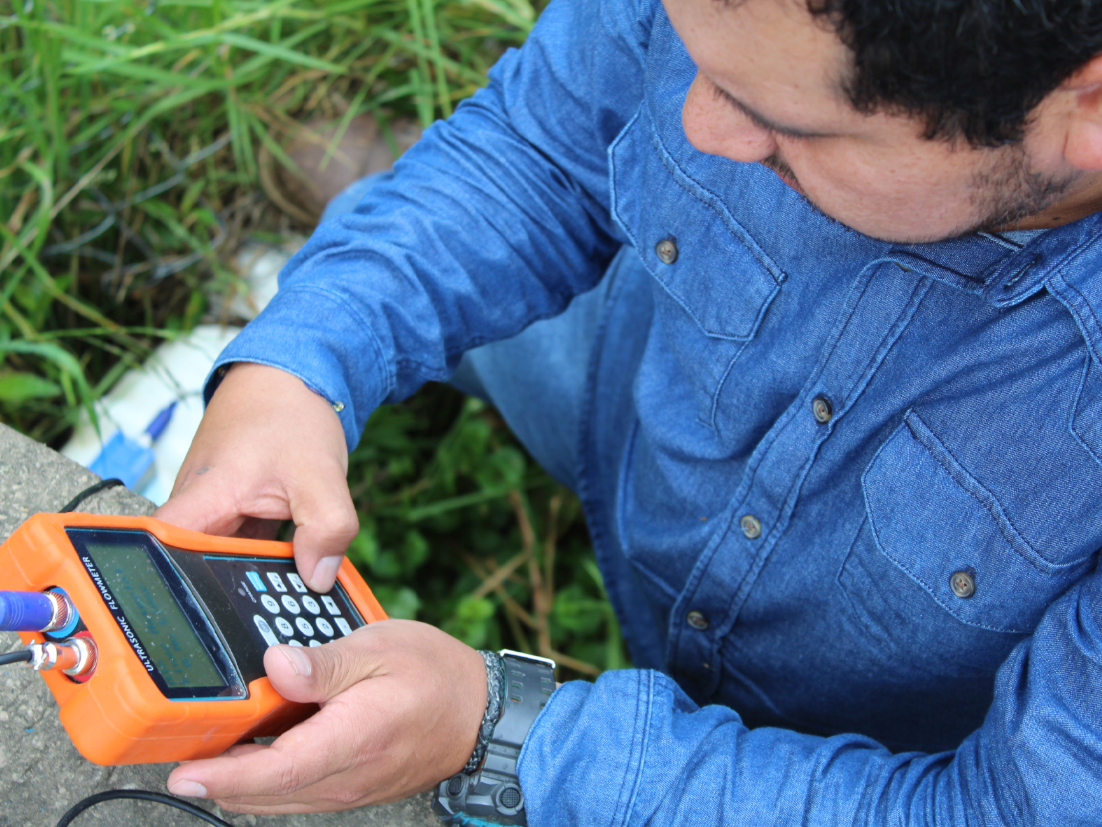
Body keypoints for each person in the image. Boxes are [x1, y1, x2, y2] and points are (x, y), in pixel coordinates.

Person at [155, 0, 1102, 822]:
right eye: (693, 57)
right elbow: (540, 152)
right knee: (385, 268)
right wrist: (297, 363)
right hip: (622, 394)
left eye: (781, 121)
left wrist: (500, 732)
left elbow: (1002, 808)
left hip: (861, 745)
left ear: (1086, 106)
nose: (694, 126)